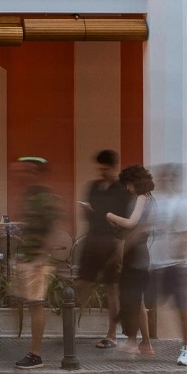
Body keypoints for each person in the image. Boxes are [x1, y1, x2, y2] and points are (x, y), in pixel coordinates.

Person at [76, 149, 130, 348]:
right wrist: (89, 212)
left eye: (105, 168)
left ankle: (112, 335)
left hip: (111, 242)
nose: (102, 171)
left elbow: (124, 221)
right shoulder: (93, 187)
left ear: (113, 167)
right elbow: (90, 216)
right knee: (81, 284)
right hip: (92, 240)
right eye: (100, 168)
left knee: (111, 290)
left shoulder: (122, 191)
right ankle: (71, 327)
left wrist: (119, 248)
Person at [11, 157, 61, 369]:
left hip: (37, 261)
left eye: (29, 171)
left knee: (35, 304)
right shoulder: (30, 195)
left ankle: (36, 354)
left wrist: (41, 257)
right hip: (27, 257)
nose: (24, 174)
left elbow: (52, 228)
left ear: (39, 173)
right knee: (24, 302)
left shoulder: (46, 197)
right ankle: (32, 349)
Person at [147, 163, 187, 366]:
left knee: (183, 307)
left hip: (177, 265)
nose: (162, 179)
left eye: (166, 176)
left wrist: (177, 254)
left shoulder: (184, 203)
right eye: (160, 176)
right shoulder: (157, 202)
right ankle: (139, 342)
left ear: (174, 179)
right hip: (157, 264)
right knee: (141, 301)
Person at [106, 164, 156, 357]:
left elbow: (131, 222)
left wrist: (110, 215)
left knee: (130, 298)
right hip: (140, 253)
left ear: (135, 182)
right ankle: (146, 343)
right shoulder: (150, 199)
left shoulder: (142, 198)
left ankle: (132, 342)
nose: (127, 188)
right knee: (139, 300)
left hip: (135, 254)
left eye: (128, 183)